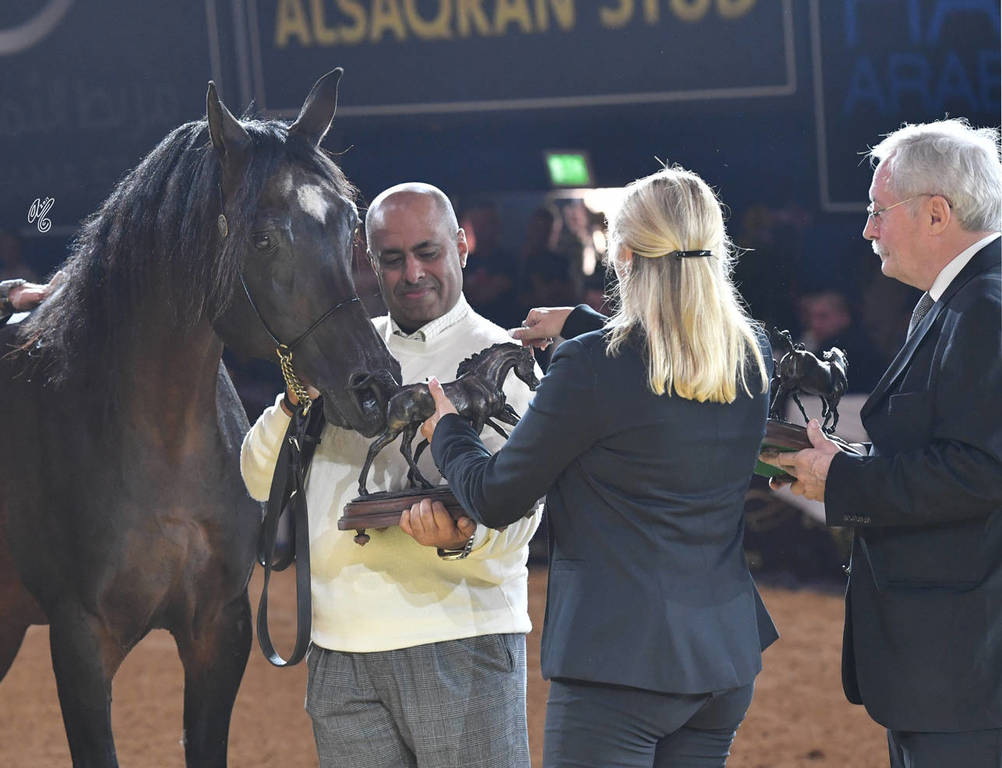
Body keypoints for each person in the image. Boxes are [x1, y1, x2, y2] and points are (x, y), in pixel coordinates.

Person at [413, 166, 778, 767]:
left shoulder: (589, 367)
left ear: (625, 256)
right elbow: (658, 372)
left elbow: (497, 498)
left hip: (620, 665)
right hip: (723, 659)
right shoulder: (749, 350)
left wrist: (447, 429)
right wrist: (582, 322)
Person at [240, 182, 542, 768]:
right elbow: (256, 478)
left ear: (461, 244)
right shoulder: (338, 354)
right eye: (392, 258)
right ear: (367, 259)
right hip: (339, 651)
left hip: (459, 643)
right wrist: (290, 402)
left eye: (427, 252)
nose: (412, 273)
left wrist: (463, 538)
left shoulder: (504, 357)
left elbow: (525, 510)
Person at [761, 119, 1002, 768]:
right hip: (949, 669)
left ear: (935, 213)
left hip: (968, 673)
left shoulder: (986, 306)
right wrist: (845, 462)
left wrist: (841, 481)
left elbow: (982, 472)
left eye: (877, 211)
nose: (867, 229)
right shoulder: (954, 302)